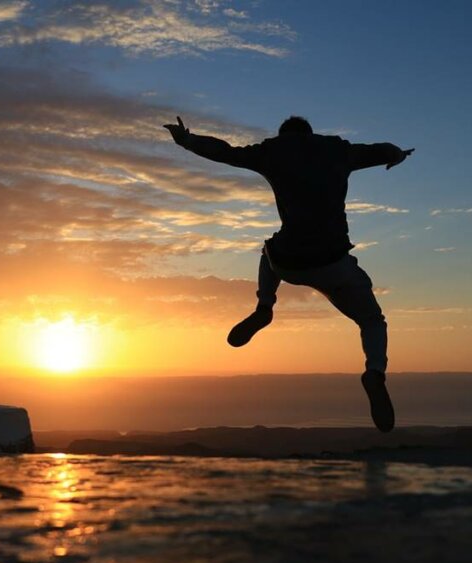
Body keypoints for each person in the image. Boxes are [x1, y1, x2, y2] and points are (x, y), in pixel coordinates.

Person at [164, 115, 413, 432]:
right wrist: (399, 155)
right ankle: (375, 372)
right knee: (371, 320)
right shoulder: (337, 149)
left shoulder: (271, 151)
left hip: (288, 261)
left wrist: (187, 140)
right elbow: (383, 150)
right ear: (310, 132)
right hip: (333, 262)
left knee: (269, 249)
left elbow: (226, 152)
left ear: (284, 134)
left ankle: (264, 307)